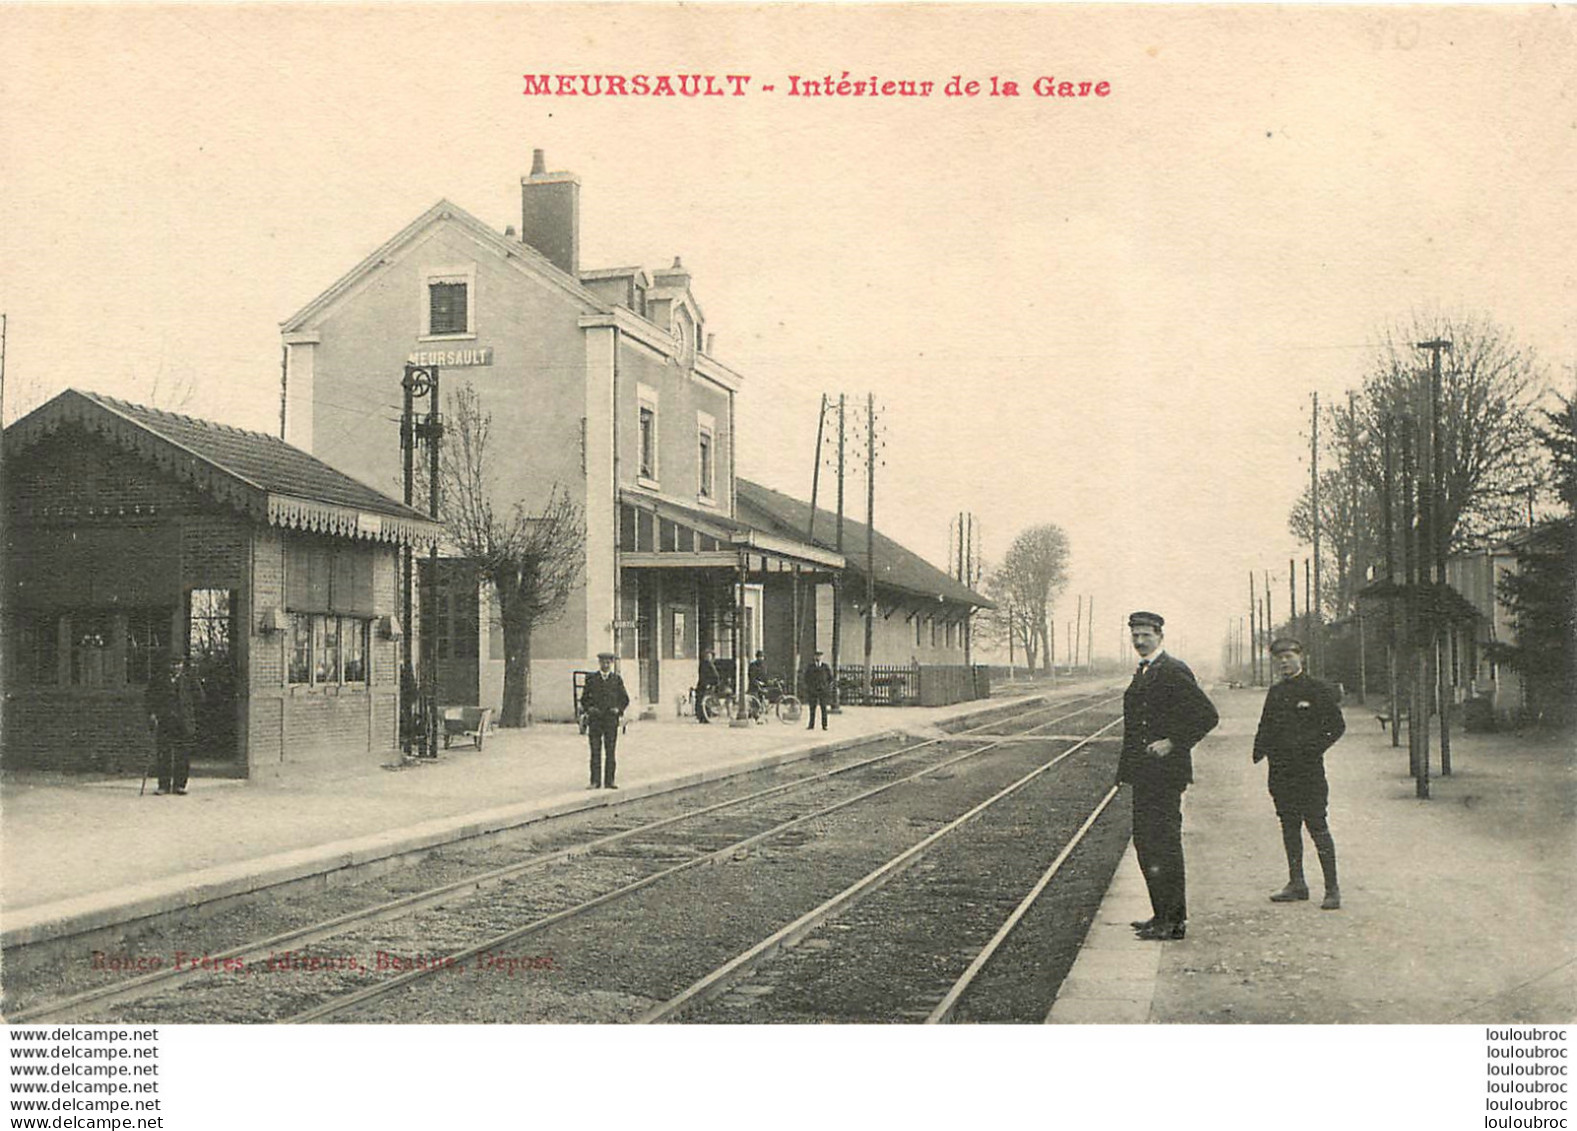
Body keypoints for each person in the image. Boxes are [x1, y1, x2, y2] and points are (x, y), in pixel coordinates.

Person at [1118, 611, 1219, 941]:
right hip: (1145, 775)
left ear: (1160, 636)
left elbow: (1207, 715)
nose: (1139, 641)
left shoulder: (1173, 670)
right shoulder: (1145, 671)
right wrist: (1125, 771)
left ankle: (1173, 921)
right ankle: (1161, 914)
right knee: (1147, 843)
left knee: (1163, 845)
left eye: (1146, 635)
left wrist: (1173, 742)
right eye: (1135, 635)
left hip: (1165, 774)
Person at [1253, 636, 1346, 910]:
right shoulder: (1276, 692)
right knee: (1289, 826)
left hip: (1308, 772)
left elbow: (1336, 726)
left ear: (1301, 657)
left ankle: (1332, 889)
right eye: (1279, 658)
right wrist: (1261, 751)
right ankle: (1297, 883)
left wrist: (1311, 749)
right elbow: (1265, 725)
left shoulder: (1317, 689)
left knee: (1317, 825)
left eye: (1289, 656)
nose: (1284, 661)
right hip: (1280, 772)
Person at [145, 653, 198, 796]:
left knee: (183, 754)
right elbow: (149, 698)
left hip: (183, 722)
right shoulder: (159, 679)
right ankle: (163, 785)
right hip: (165, 721)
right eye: (173, 664)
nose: (175, 667)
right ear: (168, 665)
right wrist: (152, 713)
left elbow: (200, 697)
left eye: (178, 664)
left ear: (182, 665)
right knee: (164, 753)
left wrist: (189, 711)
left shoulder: (189, 679)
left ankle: (180, 785)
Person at [581, 651, 630, 789]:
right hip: (595, 720)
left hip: (610, 720)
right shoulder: (592, 679)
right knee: (595, 751)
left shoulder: (616, 680)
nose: (606, 665)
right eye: (603, 662)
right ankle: (595, 781)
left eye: (608, 662)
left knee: (610, 751)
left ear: (612, 664)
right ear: (599, 663)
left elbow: (625, 699)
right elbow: (584, 699)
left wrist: (618, 710)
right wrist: (589, 709)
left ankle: (610, 781)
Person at [803, 648, 834, 731]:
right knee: (812, 708)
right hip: (813, 690)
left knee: (823, 708)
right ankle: (811, 725)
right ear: (814, 657)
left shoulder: (825, 667)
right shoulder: (810, 667)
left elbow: (830, 678)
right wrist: (809, 687)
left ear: (822, 657)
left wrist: (826, 686)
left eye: (820, 656)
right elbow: (806, 678)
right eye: (817, 656)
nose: (818, 657)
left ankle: (824, 725)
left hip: (822, 690)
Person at [696, 647, 723, 724]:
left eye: (710, 655)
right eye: (707, 655)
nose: (709, 657)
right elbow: (704, 675)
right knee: (703, 700)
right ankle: (703, 716)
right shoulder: (706, 664)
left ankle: (704, 715)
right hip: (705, 684)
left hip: (707, 684)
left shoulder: (708, 664)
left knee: (704, 700)